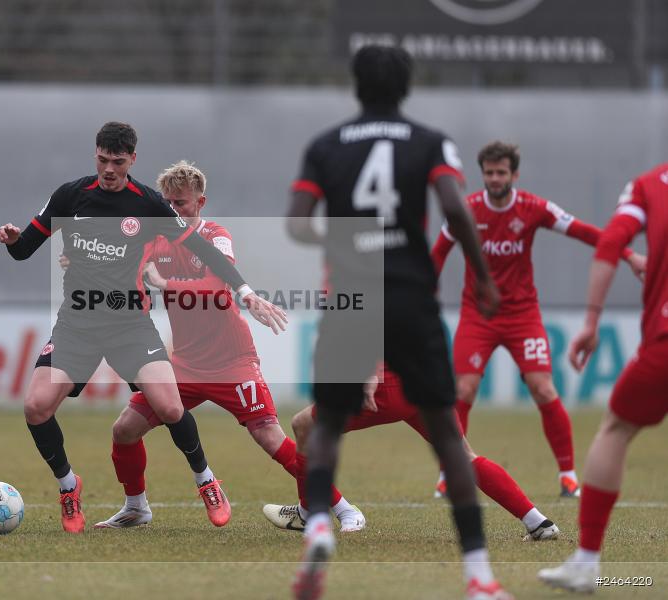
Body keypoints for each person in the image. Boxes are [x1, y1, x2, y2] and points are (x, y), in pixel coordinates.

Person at [287, 45, 510, 600]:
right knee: (447, 435)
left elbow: (295, 223)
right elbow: (457, 210)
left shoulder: (325, 146)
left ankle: (318, 525)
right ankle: (479, 575)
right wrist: (482, 277)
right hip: (410, 295)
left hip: (349, 295)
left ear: (355, 86)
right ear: (406, 87)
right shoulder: (430, 142)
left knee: (327, 426)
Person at [0, 122, 286, 533]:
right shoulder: (69, 195)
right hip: (77, 323)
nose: (108, 169)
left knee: (170, 407)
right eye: (102, 159)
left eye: (117, 161)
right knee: (36, 407)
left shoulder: (149, 204)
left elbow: (202, 250)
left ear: (132, 160)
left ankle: (206, 480)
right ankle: (68, 486)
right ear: (94, 153)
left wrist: (245, 290)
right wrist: (11, 240)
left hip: (130, 324)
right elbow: (25, 249)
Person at [70, 160, 365, 531]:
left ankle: (342, 508)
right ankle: (136, 507)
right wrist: (85, 262)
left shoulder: (215, 236)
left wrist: (164, 284)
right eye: (168, 203)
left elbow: (214, 289)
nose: (173, 210)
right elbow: (124, 272)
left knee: (269, 437)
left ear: (200, 202)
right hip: (184, 364)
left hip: (232, 360)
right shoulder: (154, 239)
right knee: (124, 430)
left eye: (181, 203)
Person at [431, 141, 646, 499]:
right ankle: (450, 471)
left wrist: (627, 254)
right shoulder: (464, 211)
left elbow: (582, 231)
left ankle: (567, 475)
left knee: (543, 388)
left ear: (514, 174)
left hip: (522, 316)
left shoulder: (533, 208)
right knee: (463, 390)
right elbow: (437, 255)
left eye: (501, 173)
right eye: (489, 173)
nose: (495, 179)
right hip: (478, 315)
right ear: (481, 174)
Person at [538, 163, 667, 593]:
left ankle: (587, 562)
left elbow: (612, 240)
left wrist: (591, 320)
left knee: (615, 429)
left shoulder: (650, 185)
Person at [263, 365, 560, 542]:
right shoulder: (401, 273)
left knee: (304, 425)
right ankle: (538, 522)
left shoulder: (356, 274)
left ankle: (309, 512)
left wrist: (369, 375)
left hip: (386, 385)